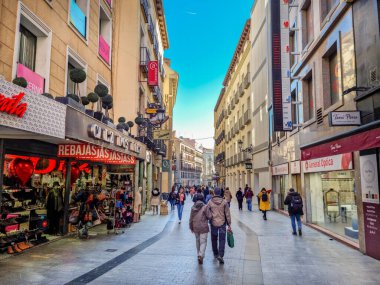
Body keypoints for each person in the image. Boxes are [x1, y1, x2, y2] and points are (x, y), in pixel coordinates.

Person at [206, 187, 232, 264]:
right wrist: (229, 224)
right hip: (222, 223)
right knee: (222, 239)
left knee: (214, 238)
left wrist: (209, 218)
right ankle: (221, 255)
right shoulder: (224, 202)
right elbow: (227, 214)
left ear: (214, 193)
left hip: (213, 223)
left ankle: (215, 253)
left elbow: (207, 211)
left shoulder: (210, 202)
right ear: (220, 193)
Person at [189, 194, 209, 264]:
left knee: (197, 241)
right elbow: (209, 216)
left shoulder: (193, 207)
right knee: (203, 242)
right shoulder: (205, 207)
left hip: (196, 227)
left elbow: (191, 218)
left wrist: (191, 227)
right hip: (203, 227)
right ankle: (201, 255)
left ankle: (199, 255)